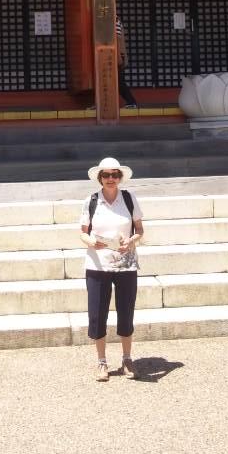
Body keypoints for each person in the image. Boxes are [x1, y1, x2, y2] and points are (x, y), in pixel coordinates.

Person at [79, 156, 144, 382]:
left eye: (115, 175)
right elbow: (82, 232)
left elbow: (140, 230)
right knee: (97, 314)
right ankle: (101, 362)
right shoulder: (91, 200)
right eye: (106, 175)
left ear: (120, 177)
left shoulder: (129, 198)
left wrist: (131, 241)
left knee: (126, 312)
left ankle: (127, 359)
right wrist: (91, 242)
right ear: (100, 178)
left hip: (126, 264)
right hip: (97, 264)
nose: (110, 179)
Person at [116, 15, 138, 108]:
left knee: (119, 82)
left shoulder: (115, 20)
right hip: (118, 54)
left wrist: (118, 56)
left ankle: (131, 102)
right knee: (118, 81)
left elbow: (117, 39)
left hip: (117, 54)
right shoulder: (115, 20)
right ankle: (131, 102)